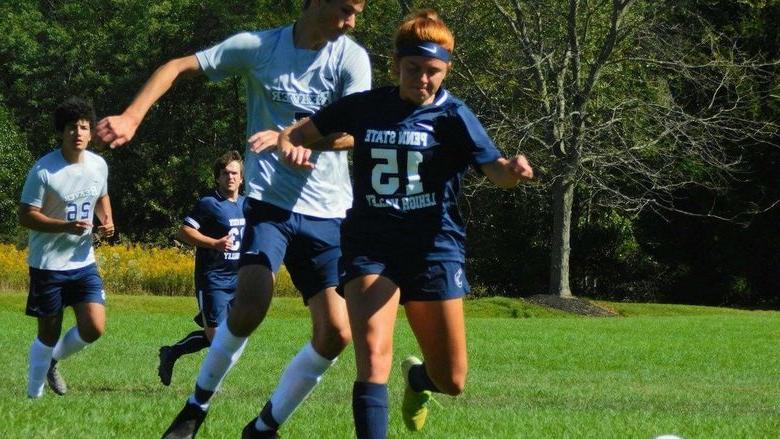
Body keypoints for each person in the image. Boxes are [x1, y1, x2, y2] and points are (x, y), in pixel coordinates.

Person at [95, 0, 371, 437]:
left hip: (328, 213)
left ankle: (264, 425)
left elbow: (358, 130)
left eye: (357, 11)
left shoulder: (351, 57)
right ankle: (195, 407)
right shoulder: (260, 47)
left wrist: (304, 139)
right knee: (251, 304)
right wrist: (132, 116)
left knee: (337, 333)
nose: (353, 21)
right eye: (346, 9)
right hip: (269, 205)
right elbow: (177, 66)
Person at [267, 9, 534, 438]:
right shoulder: (366, 107)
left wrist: (514, 172)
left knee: (453, 380)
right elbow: (298, 132)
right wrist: (290, 147)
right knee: (373, 356)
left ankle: (419, 380)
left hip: (434, 250)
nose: (423, 80)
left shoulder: (455, 116)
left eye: (434, 72)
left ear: (446, 71)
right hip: (372, 246)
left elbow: (496, 171)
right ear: (396, 64)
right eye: (414, 68)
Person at [19, 96, 115, 399]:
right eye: (72, 127)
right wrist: (63, 226)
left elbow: (101, 196)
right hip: (48, 265)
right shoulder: (43, 170)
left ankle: (52, 363)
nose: (78, 133)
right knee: (47, 333)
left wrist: (107, 220)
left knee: (94, 327)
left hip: (83, 262)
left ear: (91, 132)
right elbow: (25, 215)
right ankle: (33, 396)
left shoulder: (98, 165)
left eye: (84, 127)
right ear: (61, 131)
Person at [157, 151, 245, 386]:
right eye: (225, 173)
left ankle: (171, 352)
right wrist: (214, 243)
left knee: (225, 337)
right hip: (212, 279)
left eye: (234, 173)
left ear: (241, 178)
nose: (230, 177)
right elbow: (184, 231)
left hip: (239, 280)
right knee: (217, 340)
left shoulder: (246, 204)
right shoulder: (209, 203)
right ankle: (176, 357)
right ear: (217, 177)